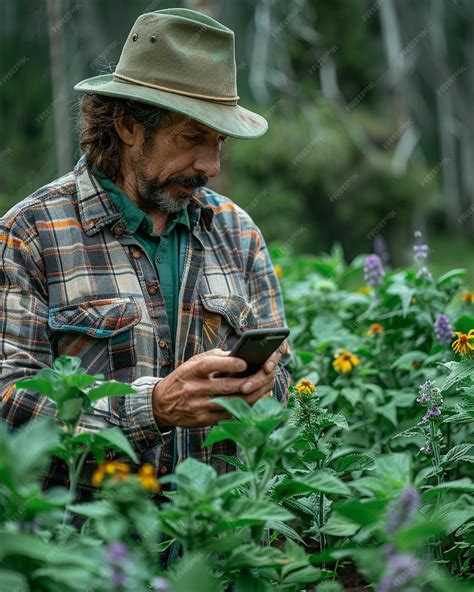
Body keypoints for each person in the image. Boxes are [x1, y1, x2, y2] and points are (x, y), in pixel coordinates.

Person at [0, 8, 289, 496]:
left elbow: (284, 377)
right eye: (193, 138)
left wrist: (263, 386)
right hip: (86, 553)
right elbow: (9, 401)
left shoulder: (237, 232)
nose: (212, 165)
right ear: (129, 125)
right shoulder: (30, 235)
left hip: (213, 545)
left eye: (219, 142)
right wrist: (151, 409)